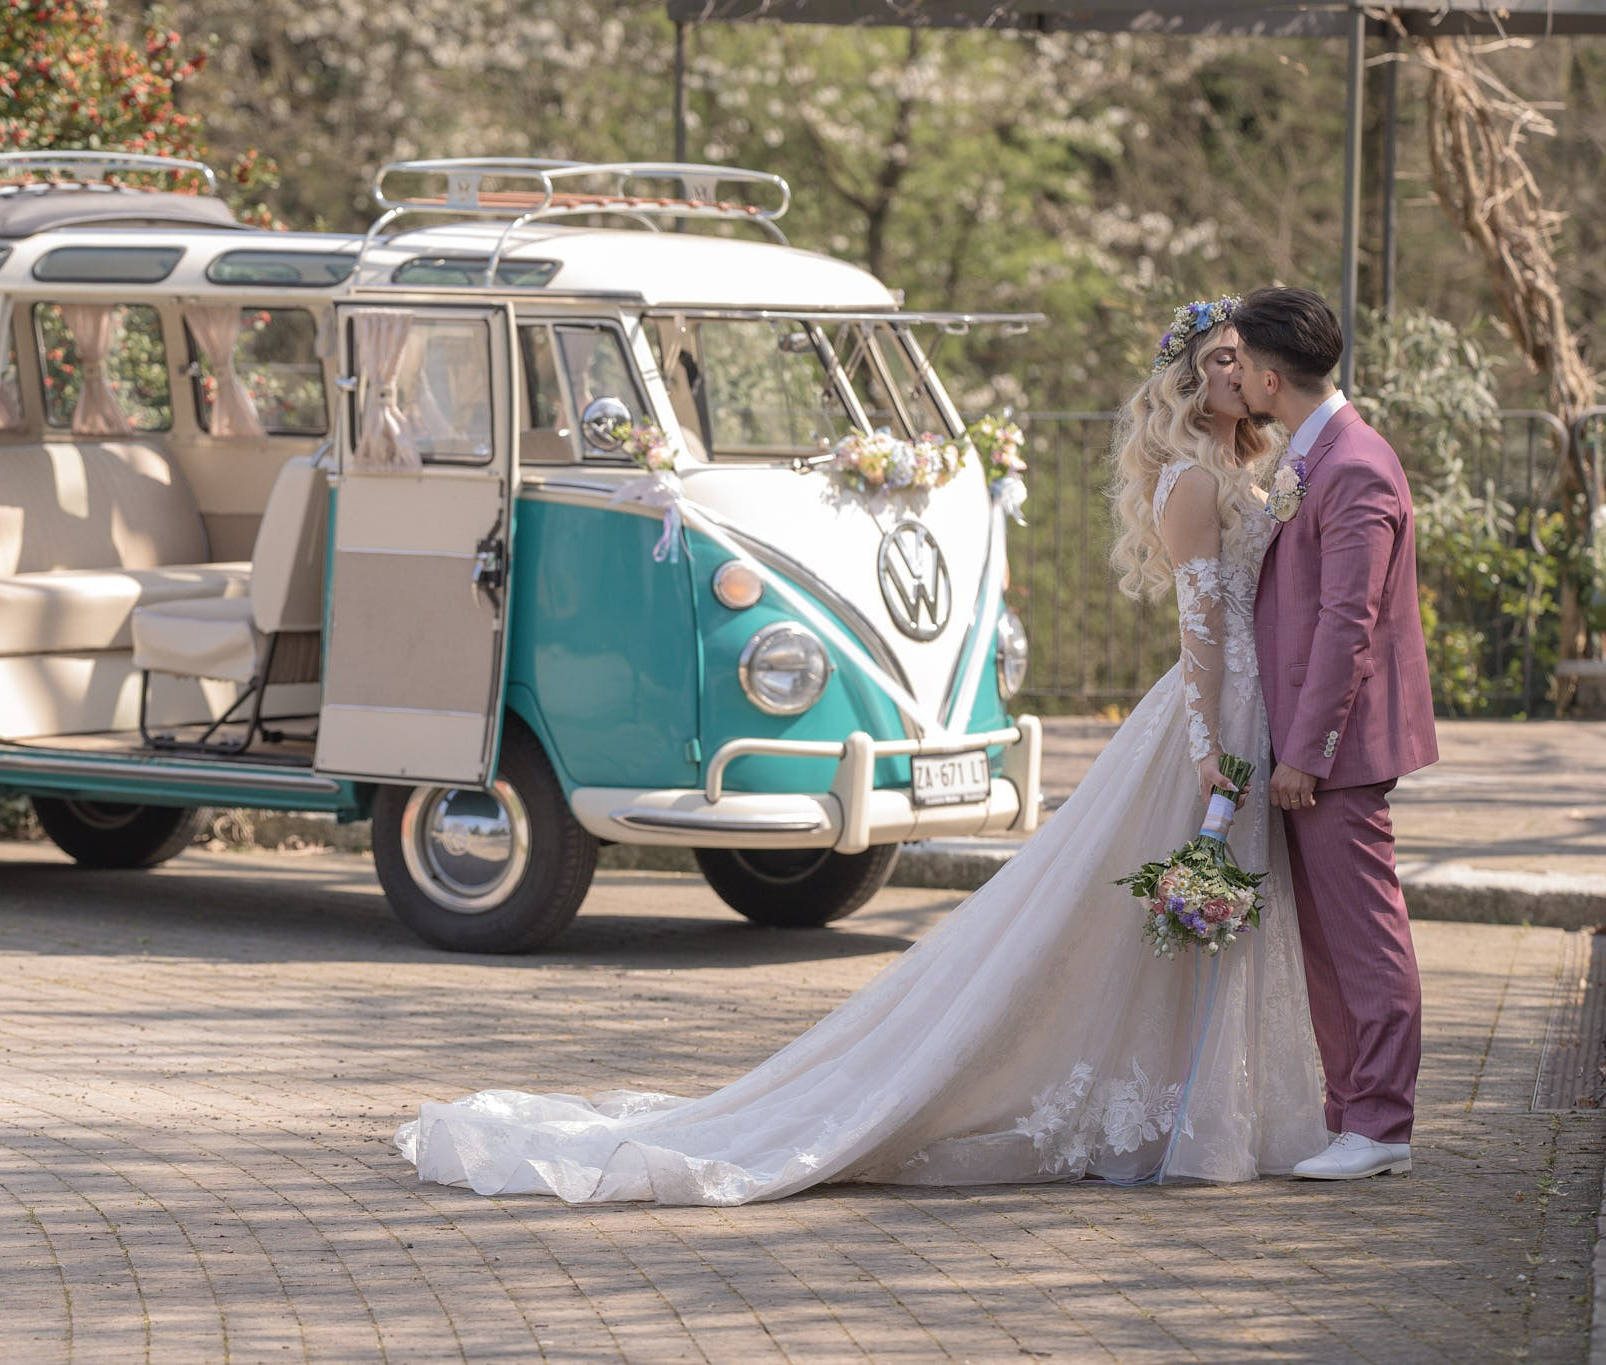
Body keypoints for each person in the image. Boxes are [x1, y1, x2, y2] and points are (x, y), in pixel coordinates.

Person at [394, 300, 1329, 1205]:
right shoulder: (1193, 481)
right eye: (1219, 359)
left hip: (1254, 704)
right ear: (1185, 381)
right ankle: (1173, 1107)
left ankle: (1205, 1101)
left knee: (1195, 912)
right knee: (1154, 908)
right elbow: (1201, 627)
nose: (1237, 371)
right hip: (1217, 717)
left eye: (1241, 358)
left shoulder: (1246, 464)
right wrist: (1208, 745)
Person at [1233, 286, 1439, 1181]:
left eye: (1242, 363)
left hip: (1336, 751)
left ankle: (1383, 1120)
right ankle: (1351, 1114)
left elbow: (1347, 624)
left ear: (1271, 378)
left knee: (1366, 935)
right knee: (1327, 940)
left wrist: (1304, 753)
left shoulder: (1354, 464)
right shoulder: (1309, 454)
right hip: (1306, 743)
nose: (1237, 376)